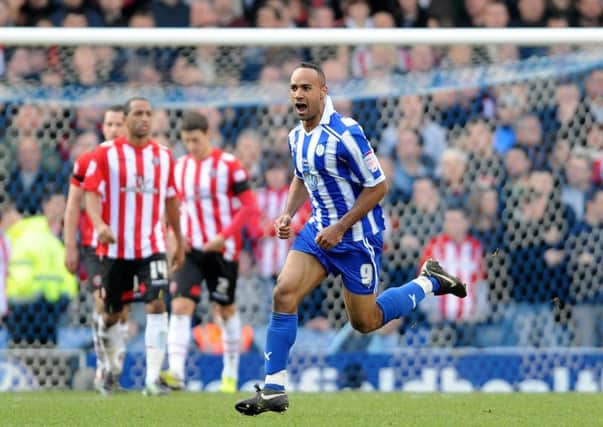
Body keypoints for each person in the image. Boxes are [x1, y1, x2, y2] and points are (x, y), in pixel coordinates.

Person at [235, 62, 468, 416]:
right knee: (283, 293)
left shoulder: (346, 132)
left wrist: (341, 227)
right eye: (294, 88)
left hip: (356, 239)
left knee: (366, 322)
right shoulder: (296, 136)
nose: (299, 94)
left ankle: (429, 281)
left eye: (306, 88)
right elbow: (302, 176)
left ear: (323, 91)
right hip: (317, 231)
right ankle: (274, 388)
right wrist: (287, 213)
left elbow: (379, 187)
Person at [83, 97, 185, 396]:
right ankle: (109, 368)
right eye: (138, 113)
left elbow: (170, 200)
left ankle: (153, 379)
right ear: (126, 118)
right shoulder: (105, 154)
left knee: (157, 302)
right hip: (115, 250)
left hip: (150, 245)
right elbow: (90, 193)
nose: (144, 119)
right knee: (113, 313)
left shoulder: (164, 156)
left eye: (148, 114)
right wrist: (100, 225)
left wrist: (178, 239)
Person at [159, 110, 259, 393]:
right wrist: (175, 236)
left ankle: (230, 373)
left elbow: (249, 206)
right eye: (186, 141)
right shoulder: (179, 167)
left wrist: (224, 236)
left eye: (196, 140)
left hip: (222, 249)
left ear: (208, 135)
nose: (191, 146)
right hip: (190, 249)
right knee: (180, 305)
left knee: (224, 310)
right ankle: (176, 372)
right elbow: (172, 207)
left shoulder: (229, 165)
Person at [63, 105, 127, 394]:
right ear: (103, 127)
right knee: (103, 302)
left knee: (121, 312)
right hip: (94, 246)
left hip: (128, 246)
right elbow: (73, 205)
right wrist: (70, 245)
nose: (113, 129)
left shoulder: (136, 163)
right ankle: (104, 369)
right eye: (109, 124)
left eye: (119, 124)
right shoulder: (87, 161)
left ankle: (115, 369)